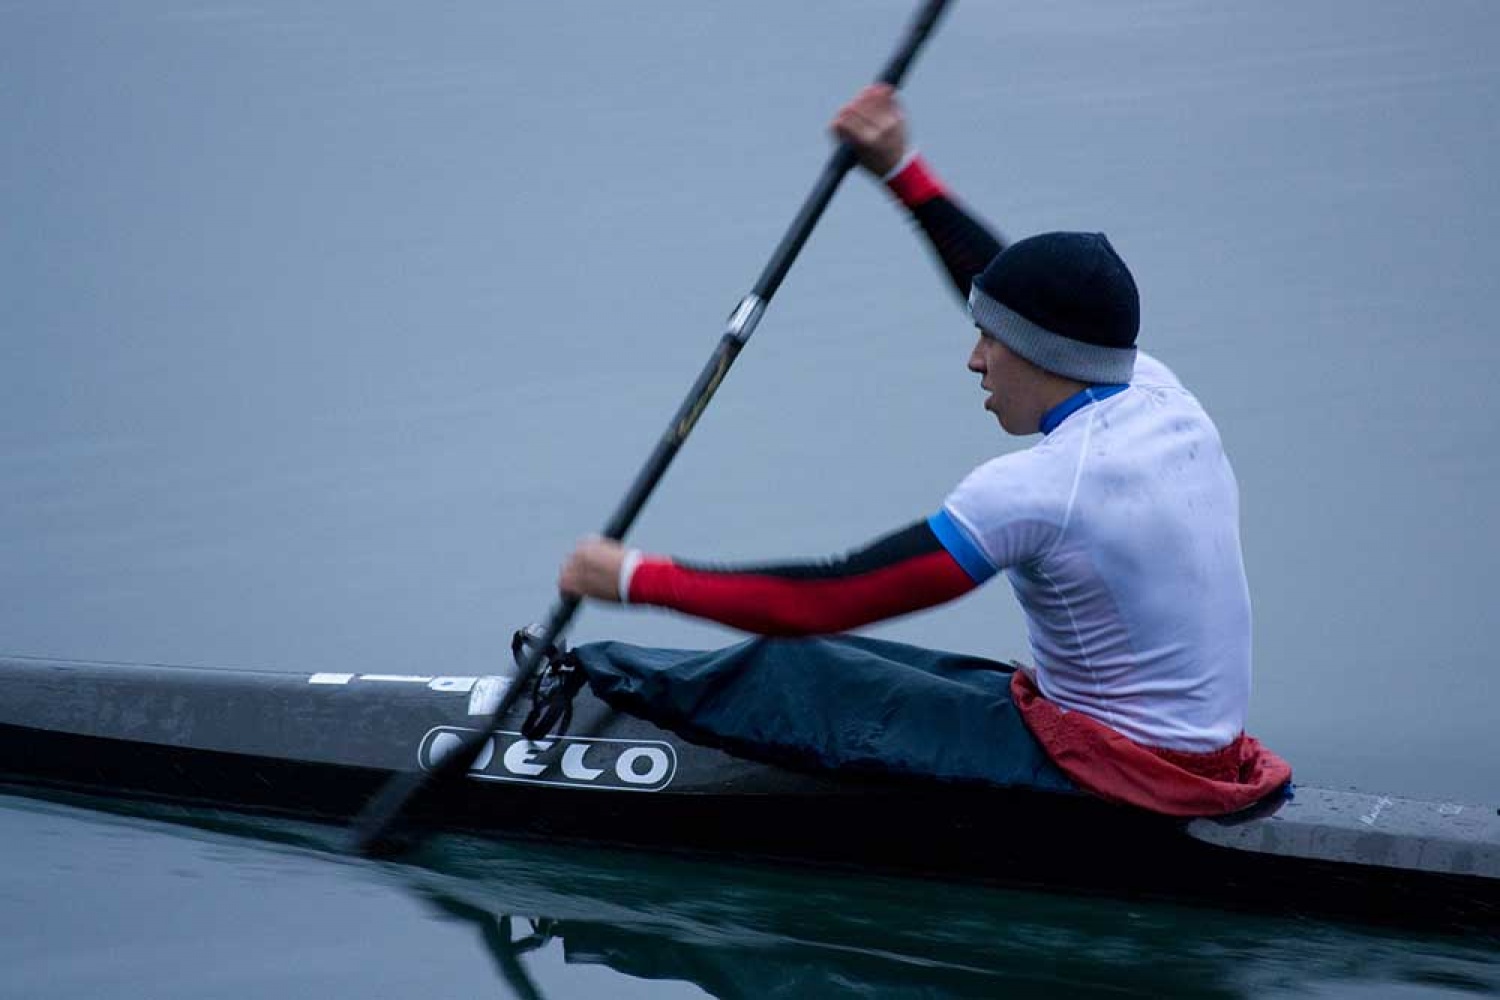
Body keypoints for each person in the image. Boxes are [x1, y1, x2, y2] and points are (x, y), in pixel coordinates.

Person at [558, 85, 1289, 815]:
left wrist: (629, 577)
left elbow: (825, 598)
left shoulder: (1041, 488)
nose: (974, 360)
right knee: (869, 668)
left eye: (990, 341)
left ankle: (577, 697)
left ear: (1041, 352)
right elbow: (1016, 284)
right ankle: (619, 681)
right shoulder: (1159, 392)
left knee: (792, 667)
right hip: (1199, 750)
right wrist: (901, 168)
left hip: (1111, 777)